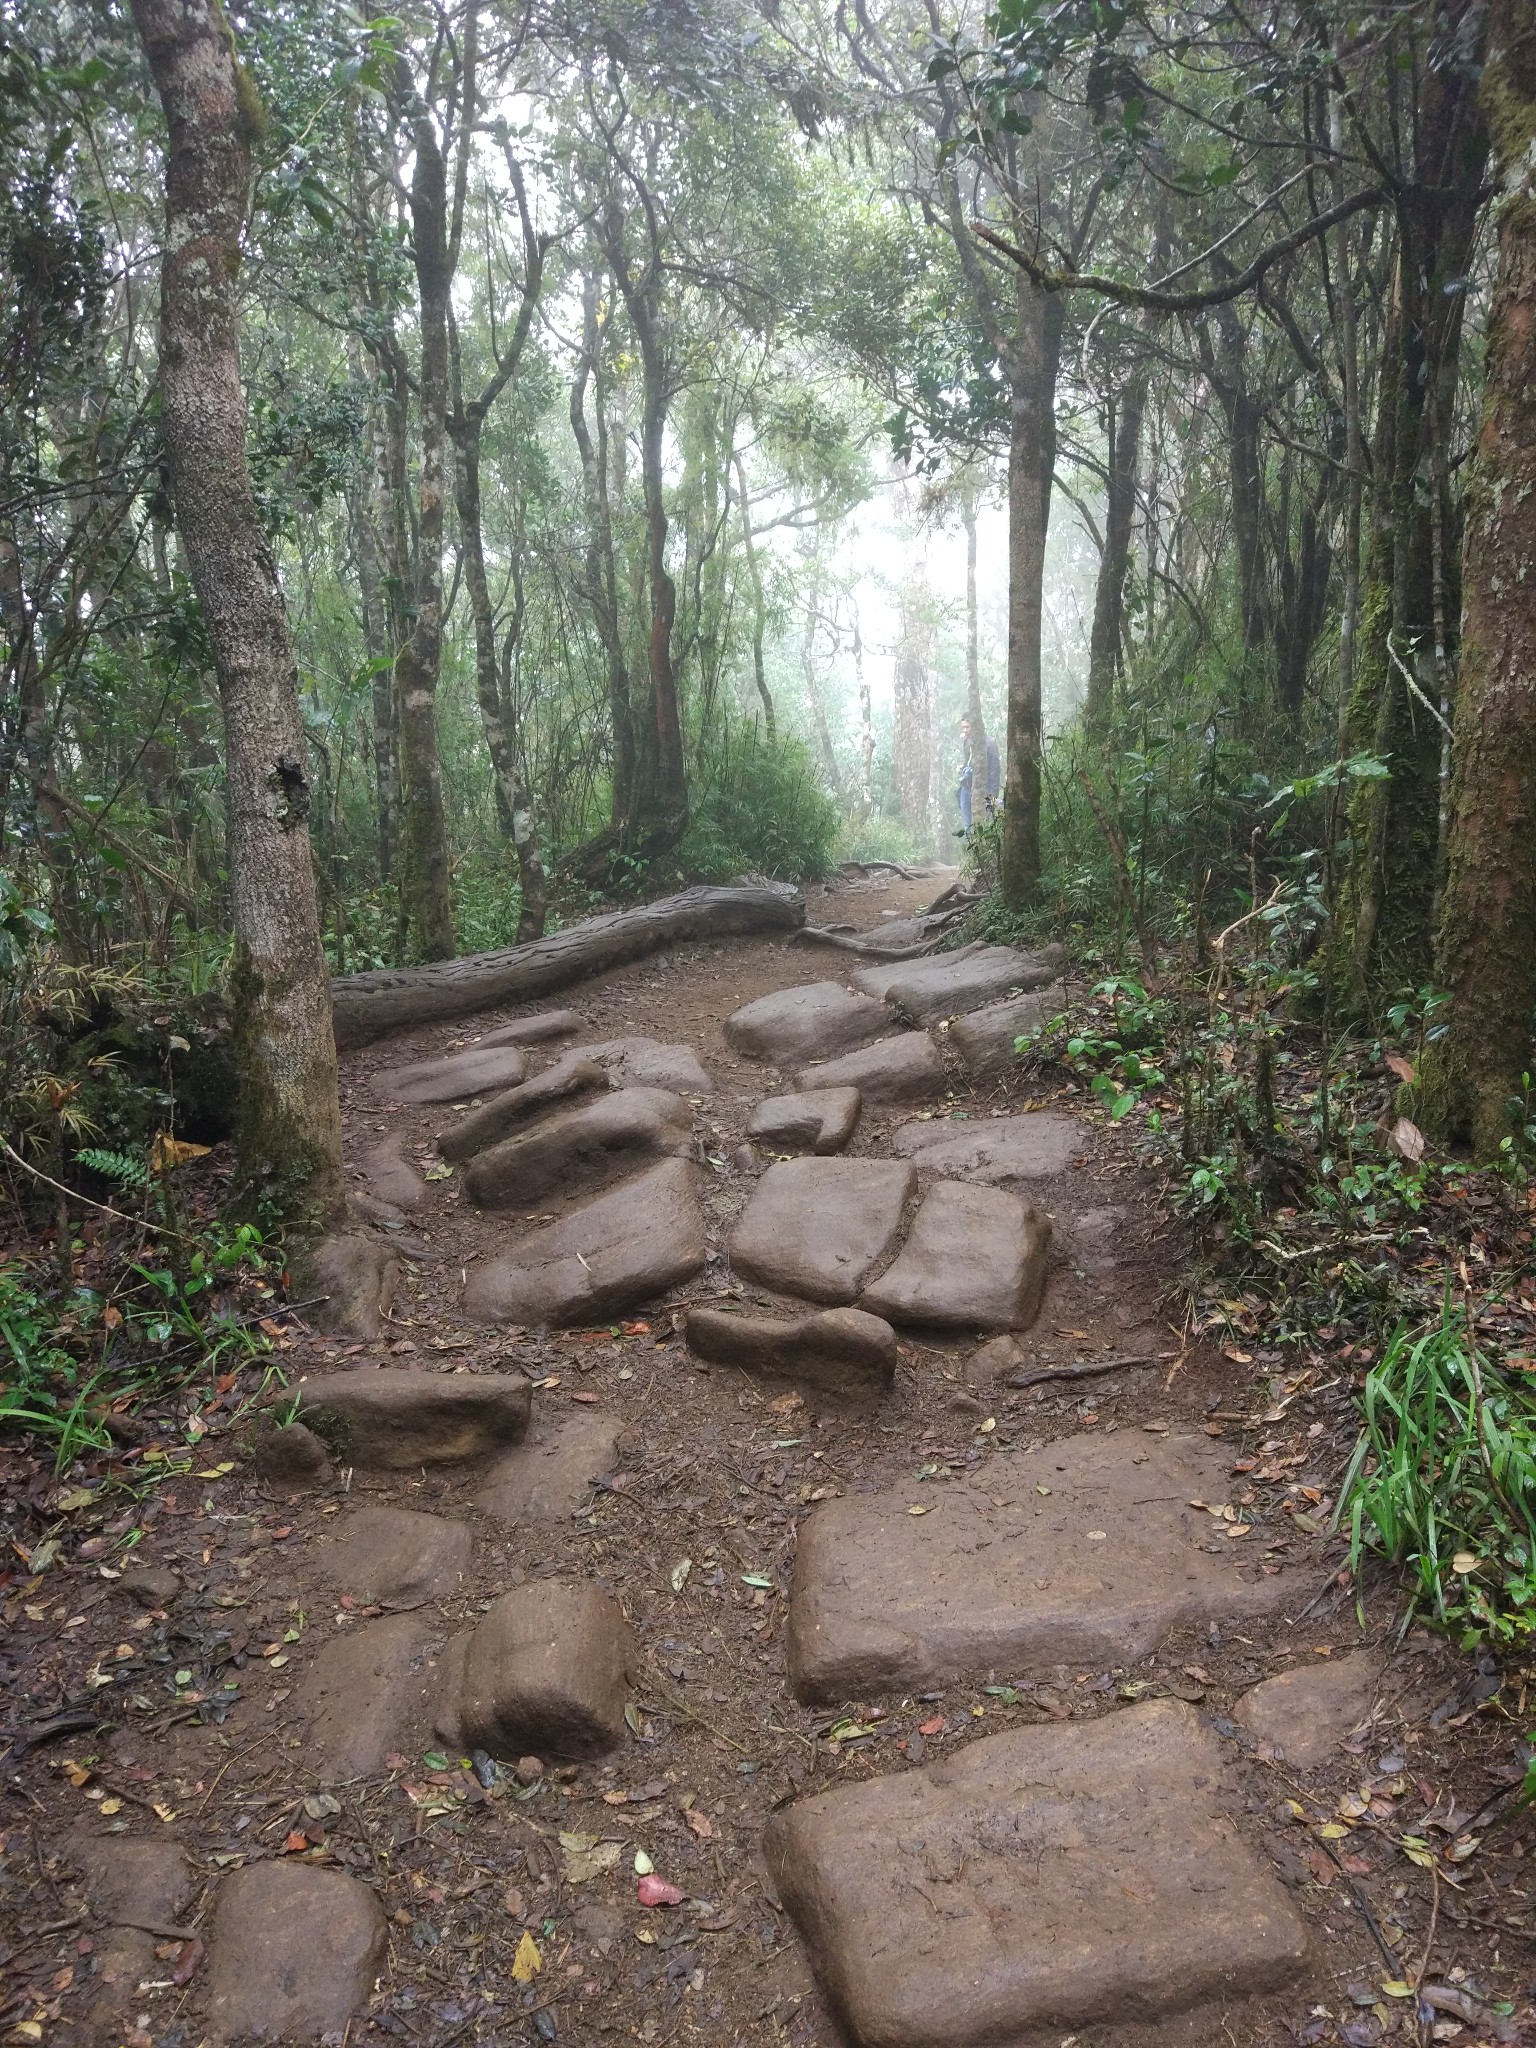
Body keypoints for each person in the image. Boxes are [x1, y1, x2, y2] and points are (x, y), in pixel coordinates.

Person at [957, 718, 975, 834]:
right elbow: (967, 761)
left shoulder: (981, 743)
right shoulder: (965, 741)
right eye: (963, 727)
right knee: (966, 824)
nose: (965, 730)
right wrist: (962, 768)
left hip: (976, 787)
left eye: (967, 727)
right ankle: (970, 847)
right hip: (965, 787)